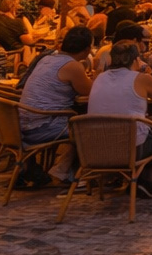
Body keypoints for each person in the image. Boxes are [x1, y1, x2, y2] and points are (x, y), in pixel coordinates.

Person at [86, 40, 152, 197]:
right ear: (136, 60)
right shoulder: (142, 78)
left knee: (148, 130)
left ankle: (136, 180)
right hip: (130, 149)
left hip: (97, 148)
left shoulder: (99, 78)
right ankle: (146, 180)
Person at [17, 26, 94, 185]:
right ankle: (68, 173)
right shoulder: (72, 66)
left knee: (80, 123)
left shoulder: (47, 58)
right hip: (41, 127)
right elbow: (90, 91)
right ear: (87, 49)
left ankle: (61, 169)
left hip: (22, 124)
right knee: (89, 128)